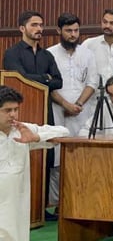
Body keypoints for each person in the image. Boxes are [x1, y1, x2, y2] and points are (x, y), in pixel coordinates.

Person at [0, 86, 69, 241]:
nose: (13, 115)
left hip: (18, 203)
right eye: (7, 110)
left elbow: (64, 132)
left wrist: (36, 138)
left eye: (16, 109)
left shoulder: (22, 130)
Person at [47, 13, 98, 207]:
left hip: (82, 111)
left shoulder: (87, 54)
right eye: (68, 31)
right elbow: (48, 86)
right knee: (57, 158)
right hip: (57, 110)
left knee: (82, 156)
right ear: (59, 31)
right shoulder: (49, 54)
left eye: (76, 30)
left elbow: (92, 82)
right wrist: (65, 105)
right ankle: (55, 205)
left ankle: (81, 201)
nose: (73, 34)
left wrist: (77, 105)